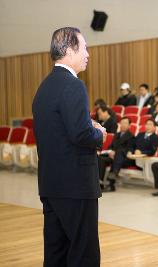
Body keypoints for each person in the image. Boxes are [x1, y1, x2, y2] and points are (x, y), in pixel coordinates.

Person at [32, 27, 105, 266]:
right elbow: (81, 134)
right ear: (70, 50)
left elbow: (60, 130)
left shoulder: (44, 88)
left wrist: (85, 125)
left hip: (51, 184)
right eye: (84, 48)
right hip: (76, 185)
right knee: (84, 254)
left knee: (56, 253)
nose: (88, 54)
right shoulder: (73, 85)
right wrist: (99, 133)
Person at [98, 117, 135, 192]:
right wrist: (111, 151)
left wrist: (116, 152)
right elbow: (111, 146)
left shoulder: (131, 136)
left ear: (129, 126)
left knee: (120, 152)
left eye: (125, 123)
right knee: (101, 159)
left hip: (123, 159)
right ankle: (100, 183)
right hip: (113, 156)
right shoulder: (117, 135)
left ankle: (112, 181)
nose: (123, 125)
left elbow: (130, 149)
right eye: (122, 123)